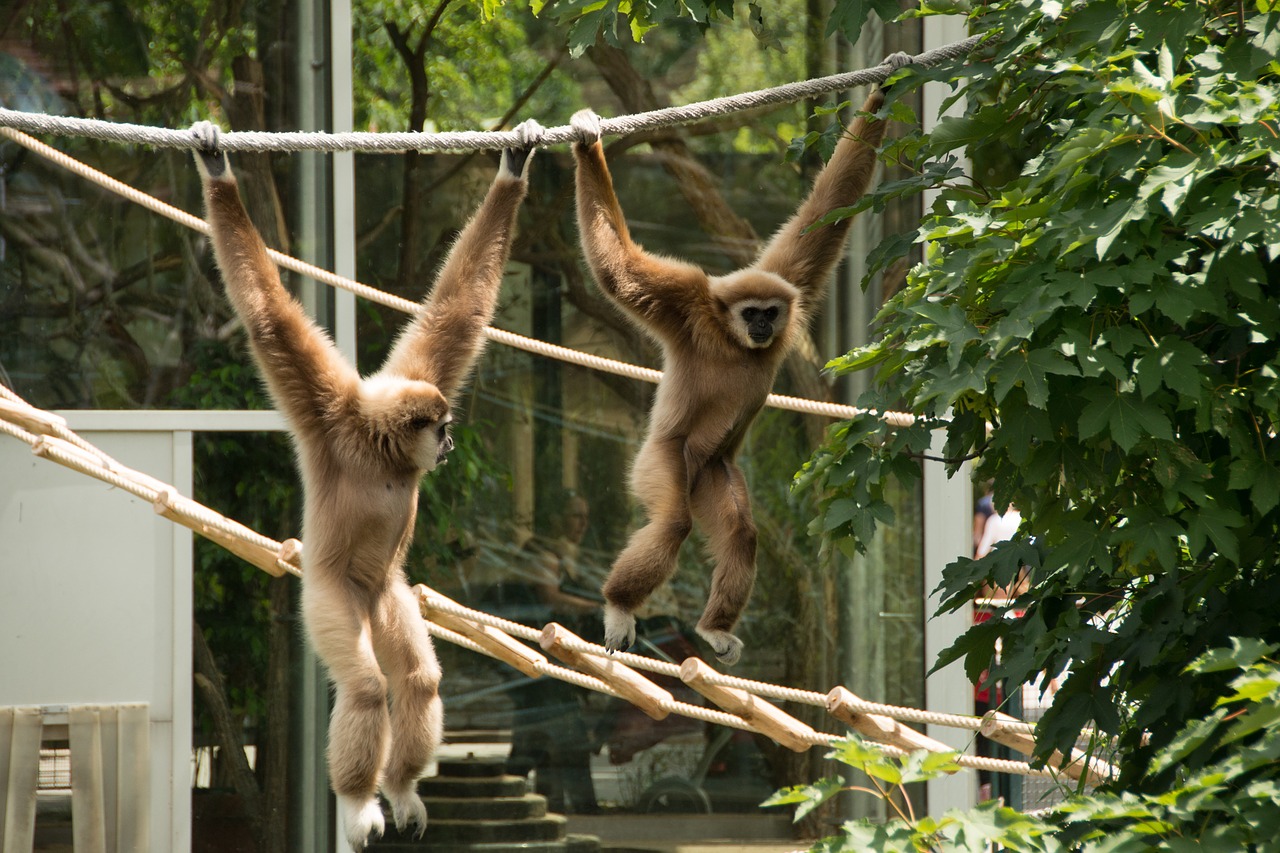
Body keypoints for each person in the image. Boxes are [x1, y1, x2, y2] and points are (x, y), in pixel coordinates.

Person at [491, 489, 601, 814]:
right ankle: (580, 809)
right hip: (537, 659)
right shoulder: (543, 553)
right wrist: (594, 608)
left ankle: (526, 807)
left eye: (585, 516)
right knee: (561, 737)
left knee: (537, 741)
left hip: (552, 662)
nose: (582, 523)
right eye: (575, 515)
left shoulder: (568, 552)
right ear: (556, 519)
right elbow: (548, 597)